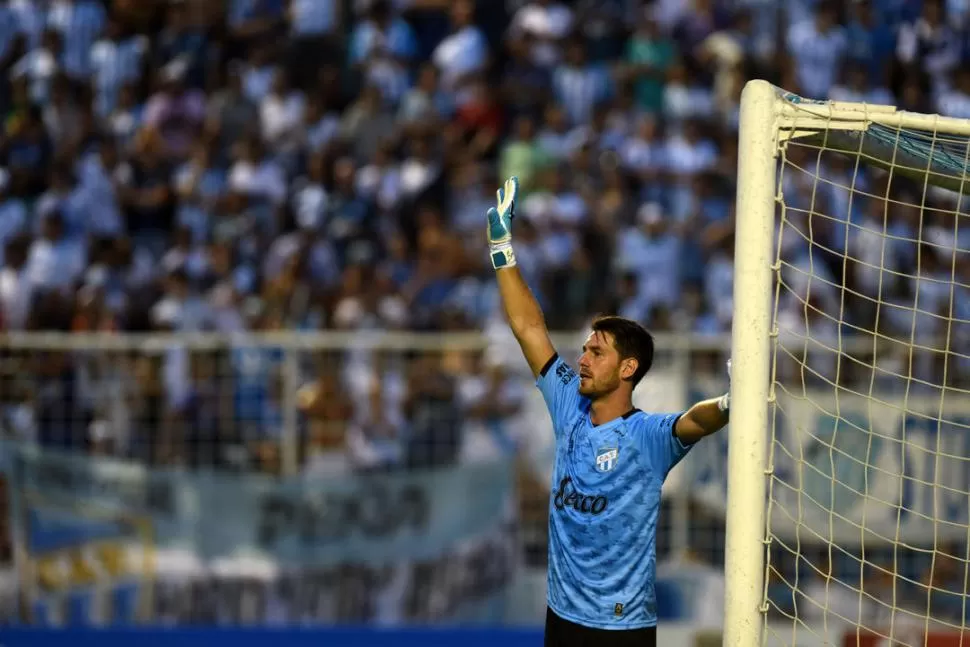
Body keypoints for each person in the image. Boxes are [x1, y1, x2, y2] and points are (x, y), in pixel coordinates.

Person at [486, 176, 731, 646]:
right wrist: (501, 247)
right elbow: (527, 327)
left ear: (628, 368)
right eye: (584, 348)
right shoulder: (569, 404)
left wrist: (727, 404)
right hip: (562, 617)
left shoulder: (647, 436)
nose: (582, 358)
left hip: (623, 627)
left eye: (596, 353)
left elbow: (694, 421)